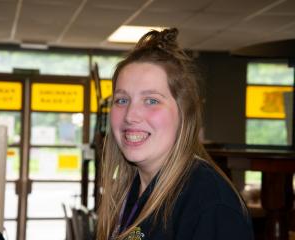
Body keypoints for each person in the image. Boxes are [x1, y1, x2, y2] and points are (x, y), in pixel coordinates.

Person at [96, 28, 254, 240]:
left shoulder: (211, 204)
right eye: (122, 100)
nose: (130, 116)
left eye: (151, 100)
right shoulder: (133, 189)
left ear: (184, 114)